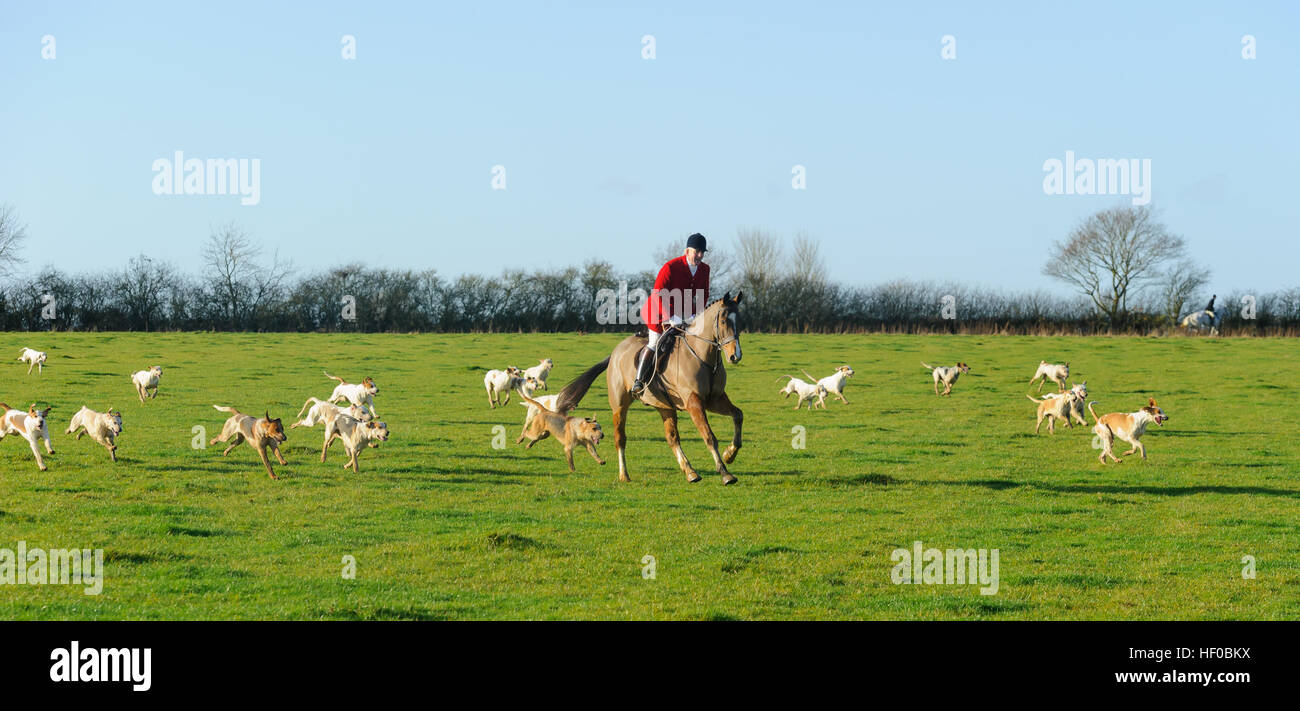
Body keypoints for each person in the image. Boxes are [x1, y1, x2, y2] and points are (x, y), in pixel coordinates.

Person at [632, 233, 711, 394]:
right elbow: (658, 293)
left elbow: (704, 294)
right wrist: (670, 317)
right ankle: (638, 380)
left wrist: (697, 315)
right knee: (655, 342)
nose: (700, 256)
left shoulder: (705, 269)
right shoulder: (670, 267)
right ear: (687, 251)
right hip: (658, 311)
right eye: (697, 251)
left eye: (702, 252)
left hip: (683, 312)